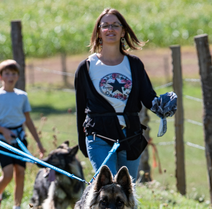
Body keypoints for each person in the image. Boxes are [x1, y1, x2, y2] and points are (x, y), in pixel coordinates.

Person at [75, 8, 176, 182]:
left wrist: (160, 106)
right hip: (98, 135)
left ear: (123, 31)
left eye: (115, 25)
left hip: (130, 135)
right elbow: (80, 108)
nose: (110, 29)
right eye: (105, 26)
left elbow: (148, 97)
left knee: (127, 191)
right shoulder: (86, 67)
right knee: (107, 188)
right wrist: (83, 143)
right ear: (98, 32)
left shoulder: (134, 64)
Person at [0, 59, 45, 209]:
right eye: (7, 73)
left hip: (19, 137)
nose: (10, 77)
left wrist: (38, 143)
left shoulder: (22, 96)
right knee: (7, 174)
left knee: (20, 172)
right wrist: (3, 130)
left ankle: (16, 208)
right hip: (2, 139)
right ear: (0, 76)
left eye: (13, 73)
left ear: (18, 76)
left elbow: (28, 120)